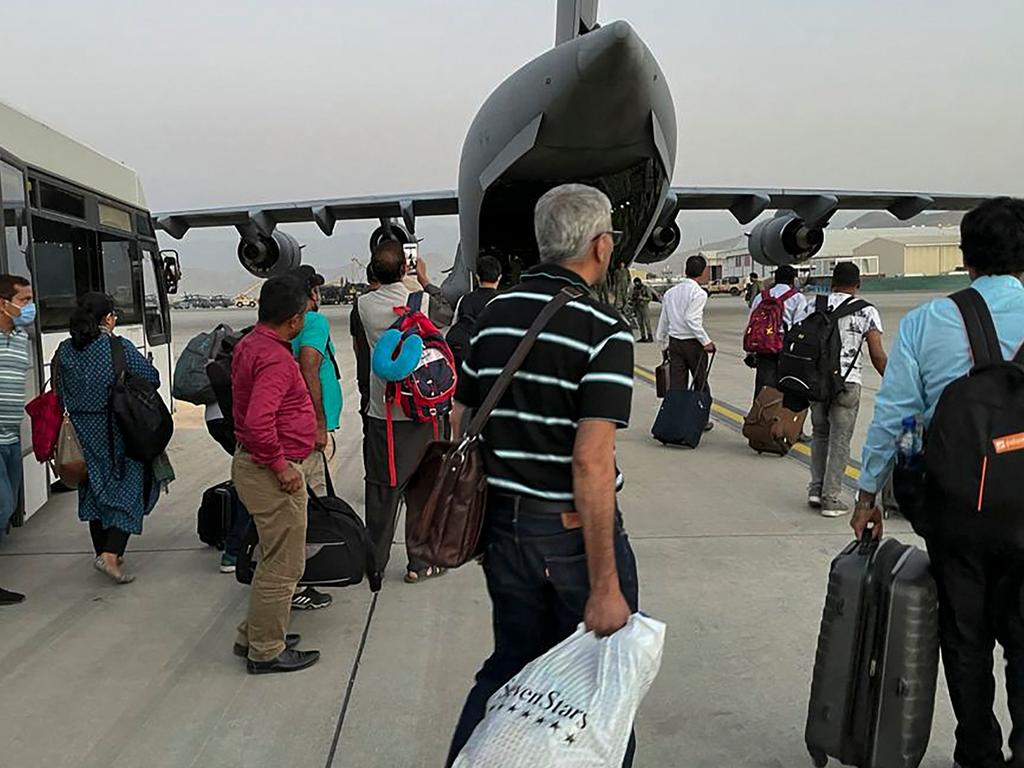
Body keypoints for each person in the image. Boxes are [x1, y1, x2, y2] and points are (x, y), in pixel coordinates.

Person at [446, 183, 639, 767]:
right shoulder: (603, 328)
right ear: (601, 246)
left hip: (505, 530)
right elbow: (591, 460)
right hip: (570, 537)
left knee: (511, 664)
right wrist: (605, 584)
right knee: (605, 684)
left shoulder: (494, 313)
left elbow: (461, 419)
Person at [853, 197, 1024, 768]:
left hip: (957, 511)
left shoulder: (929, 321)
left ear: (964, 258)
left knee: (964, 636)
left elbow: (901, 416)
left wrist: (872, 489)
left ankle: (978, 749)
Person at [231, 275, 323, 674]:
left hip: (258, 464)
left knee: (272, 557)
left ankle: (254, 633)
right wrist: (283, 467)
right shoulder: (274, 358)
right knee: (285, 565)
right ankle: (266, 650)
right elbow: (258, 423)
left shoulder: (253, 343)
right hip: (269, 469)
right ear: (294, 320)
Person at [358, 244, 451, 584]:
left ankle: (375, 563)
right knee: (423, 489)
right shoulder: (422, 302)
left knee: (383, 489)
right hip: (422, 412)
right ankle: (419, 563)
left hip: (383, 414)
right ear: (404, 270)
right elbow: (447, 314)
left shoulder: (363, 304)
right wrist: (424, 280)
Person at [56, 293, 162, 584]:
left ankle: (102, 550)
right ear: (107, 318)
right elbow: (151, 377)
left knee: (93, 489)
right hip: (115, 430)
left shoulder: (65, 349)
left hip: (80, 431)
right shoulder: (118, 347)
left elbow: (58, 390)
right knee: (129, 489)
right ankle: (111, 555)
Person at [798, 262, 886, 517]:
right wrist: (892, 380)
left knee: (820, 434)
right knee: (840, 440)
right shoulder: (867, 311)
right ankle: (831, 498)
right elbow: (877, 355)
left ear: (832, 282)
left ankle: (816, 489)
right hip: (847, 381)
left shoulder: (812, 305)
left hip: (817, 382)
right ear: (857, 284)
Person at [289, 265, 341, 495]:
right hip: (314, 424)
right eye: (316, 289)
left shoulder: (288, 322)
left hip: (299, 418)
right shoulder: (313, 321)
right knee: (318, 492)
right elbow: (309, 366)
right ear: (311, 293)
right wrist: (319, 425)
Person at [0, 274, 33, 605]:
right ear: (3, 303)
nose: (29, 307)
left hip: (11, 437)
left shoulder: (22, 338)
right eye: (24, 300)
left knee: (5, 512)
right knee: (3, 506)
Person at [655, 255, 716, 430]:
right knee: (700, 382)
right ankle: (700, 420)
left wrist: (663, 343)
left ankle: (675, 420)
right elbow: (692, 319)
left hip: (675, 343)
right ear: (703, 271)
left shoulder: (671, 292)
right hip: (693, 344)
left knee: (677, 385)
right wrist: (706, 342)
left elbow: (664, 321)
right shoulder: (698, 293)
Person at [747, 265, 809, 397]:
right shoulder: (797, 298)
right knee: (785, 391)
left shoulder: (761, 297)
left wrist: (750, 351)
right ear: (793, 280)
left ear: (775, 279)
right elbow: (799, 326)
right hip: (785, 349)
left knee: (763, 389)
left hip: (764, 348)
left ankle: (759, 416)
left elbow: (752, 322)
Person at [446, 255, 502, 370]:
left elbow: (454, 325)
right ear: (499, 278)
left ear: (477, 277)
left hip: (465, 355)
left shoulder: (464, 299)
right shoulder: (504, 301)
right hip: (492, 358)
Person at [351, 264, 379, 433]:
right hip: (394, 380)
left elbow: (356, 344)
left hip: (366, 375)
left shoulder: (359, 305)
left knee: (369, 430)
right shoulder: (403, 301)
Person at [630, 276, 654, 342]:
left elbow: (650, 298)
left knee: (647, 322)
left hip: (644, 307)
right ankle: (643, 336)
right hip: (637, 307)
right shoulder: (634, 289)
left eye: (637, 283)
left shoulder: (645, 288)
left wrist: (642, 298)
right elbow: (632, 297)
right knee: (640, 323)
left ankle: (650, 336)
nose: (636, 285)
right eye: (635, 283)